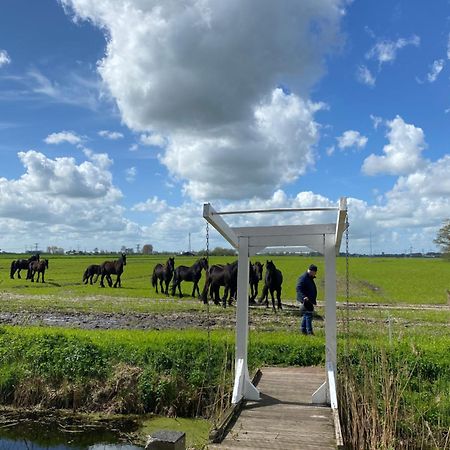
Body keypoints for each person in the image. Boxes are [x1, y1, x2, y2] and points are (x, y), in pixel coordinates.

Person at [296, 264, 318, 335]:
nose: (315, 274)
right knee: (309, 315)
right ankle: (309, 332)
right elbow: (298, 288)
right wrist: (303, 297)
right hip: (305, 300)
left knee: (306, 315)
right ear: (311, 271)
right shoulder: (304, 278)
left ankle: (303, 330)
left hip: (309, 299)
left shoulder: (309, 277)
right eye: (315, 272)